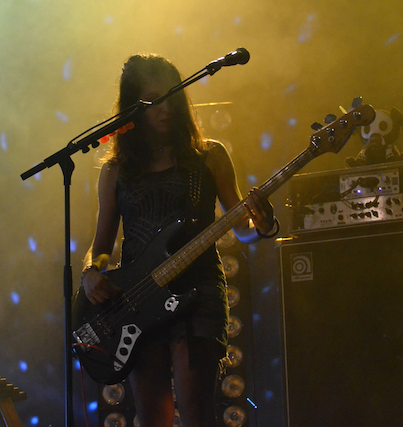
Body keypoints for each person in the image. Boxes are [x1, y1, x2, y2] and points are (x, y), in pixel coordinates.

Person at [80, 53, 277, 427]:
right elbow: (101, 245)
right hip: (139, 302)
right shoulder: (116, 171)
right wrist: (91, 272)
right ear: (133, 107)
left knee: (197, 413)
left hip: (197, 297)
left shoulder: (209, 156)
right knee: (153, 418)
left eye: (172, 97)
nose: (166, 109)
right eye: (154, 100)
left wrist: (263, 225)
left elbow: (243, 229)